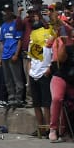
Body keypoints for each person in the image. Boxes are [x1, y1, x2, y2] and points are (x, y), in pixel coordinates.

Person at [49, 28, 74, 142]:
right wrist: (63, 46)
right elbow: (60, 59)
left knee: (72, 105)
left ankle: (66, 131)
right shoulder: (68, 49)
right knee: (57, 99)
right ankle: (53, 129)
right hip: (61, 78)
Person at [27, 9, 55, 138]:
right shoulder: (32, 36)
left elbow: (53, 53)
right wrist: (29, 73)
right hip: (34, 74)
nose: (36, 20)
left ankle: (49, 128)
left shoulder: (50, 32)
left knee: (46, 103)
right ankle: (40, 129)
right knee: (36, 104)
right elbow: (30, 58)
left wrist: (49, 68)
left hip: (45, 72)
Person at [0, 6, 25, 107]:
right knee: (8, 79)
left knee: (17, 78)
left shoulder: (16, 24)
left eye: (6, 12)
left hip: (13, 54)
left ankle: (19, 99)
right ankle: (11, 98)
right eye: (4, 12)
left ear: (10, 13)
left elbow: (19, 40)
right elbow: (2, 43)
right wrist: (0, 57)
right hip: (5, 56)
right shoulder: (3, 26)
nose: (5, 14)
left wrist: (16, 54)